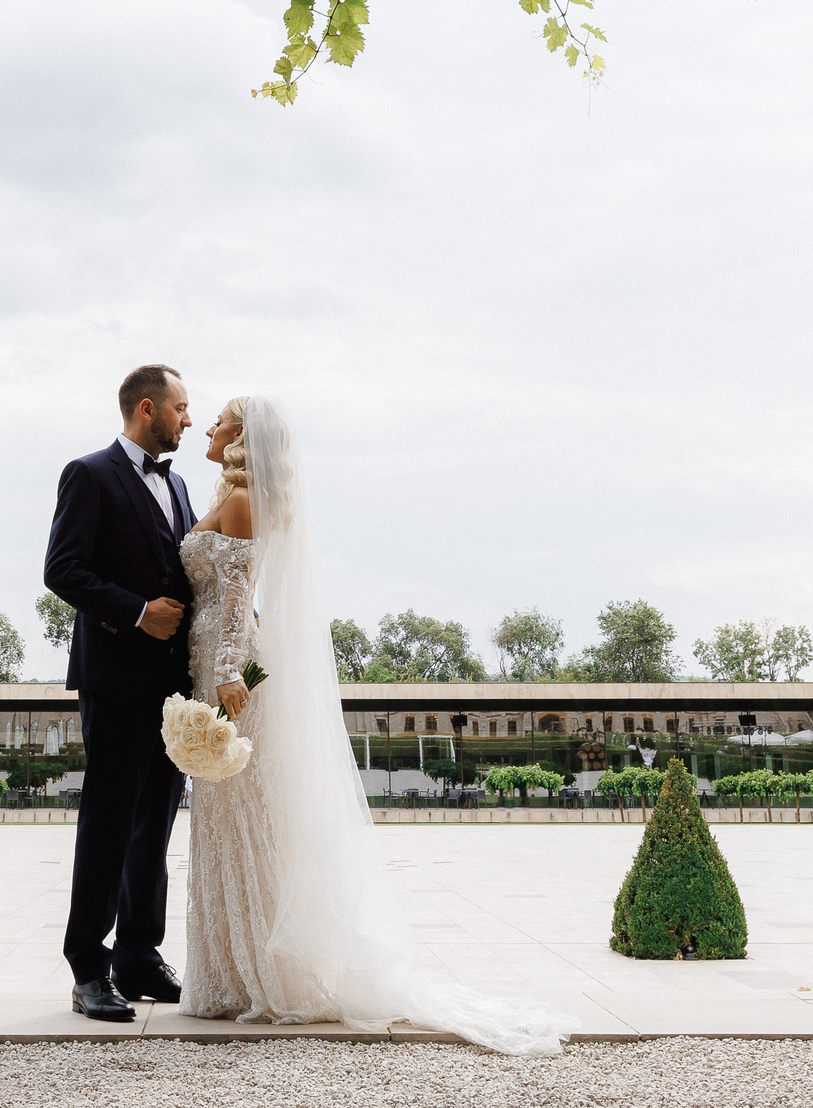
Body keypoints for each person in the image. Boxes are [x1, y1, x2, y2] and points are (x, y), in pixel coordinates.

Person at [171, 394, 568, 1055]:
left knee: (241, 818)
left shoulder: (241, 502)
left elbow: (239, 601)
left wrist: (228, 674)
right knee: (224, 820)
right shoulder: (231, 498)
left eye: (219, 420)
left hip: (226, 670)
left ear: (240, 437)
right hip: (210, 660)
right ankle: (230, 973)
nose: (207, 427)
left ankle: (256, 976)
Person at [43, 362, 196, 1022]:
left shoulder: (180, 483)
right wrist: (136, 612)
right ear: (147, 408)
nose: (189, 418)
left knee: (155, 825)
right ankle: (88, 967)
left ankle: (138, 954)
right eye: (181, 407)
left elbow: (187, 570)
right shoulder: (88, 474)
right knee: (108, 826)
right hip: (114, 682)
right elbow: (62, 569)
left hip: (172, 691)